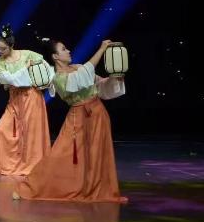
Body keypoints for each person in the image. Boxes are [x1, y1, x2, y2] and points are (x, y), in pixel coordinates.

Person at [16, 38, 127, 202]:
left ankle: (98, 188)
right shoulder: (58, 78)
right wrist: (101, 49)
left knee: (97, 154)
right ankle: (34, 186)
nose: (68, 51)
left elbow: (100, 86)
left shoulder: (79, 67)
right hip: (78, 118)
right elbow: (80, 79)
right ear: (55, 56)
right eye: (63, 49)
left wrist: (115, 78)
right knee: (61, 154)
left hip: (97, 113)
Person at [0, 24, 52, 176]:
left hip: (32, 97)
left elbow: (46, 70)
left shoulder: (28, 54)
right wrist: (25, 70)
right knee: (2, 129)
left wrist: (42, 81)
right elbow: (9, 80)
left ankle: (32, 165)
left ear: (11, 46)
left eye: (3, 48)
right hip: (15, 99)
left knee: (31, 133)